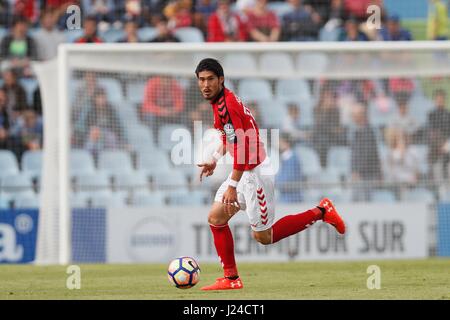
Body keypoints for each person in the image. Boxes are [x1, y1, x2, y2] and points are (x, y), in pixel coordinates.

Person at [195, 58, 345, 290]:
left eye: (210, 79)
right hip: (244, 170)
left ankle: (322, 211)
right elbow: (229, 138)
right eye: (201, 80)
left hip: (254, 173)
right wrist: (214, 160)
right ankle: (231, 279)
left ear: (221, 80)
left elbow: (244, 149)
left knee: (264, 237)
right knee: (216, 218)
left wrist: (233, 185)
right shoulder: (219, 104)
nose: (205, 84)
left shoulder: (229, 106)